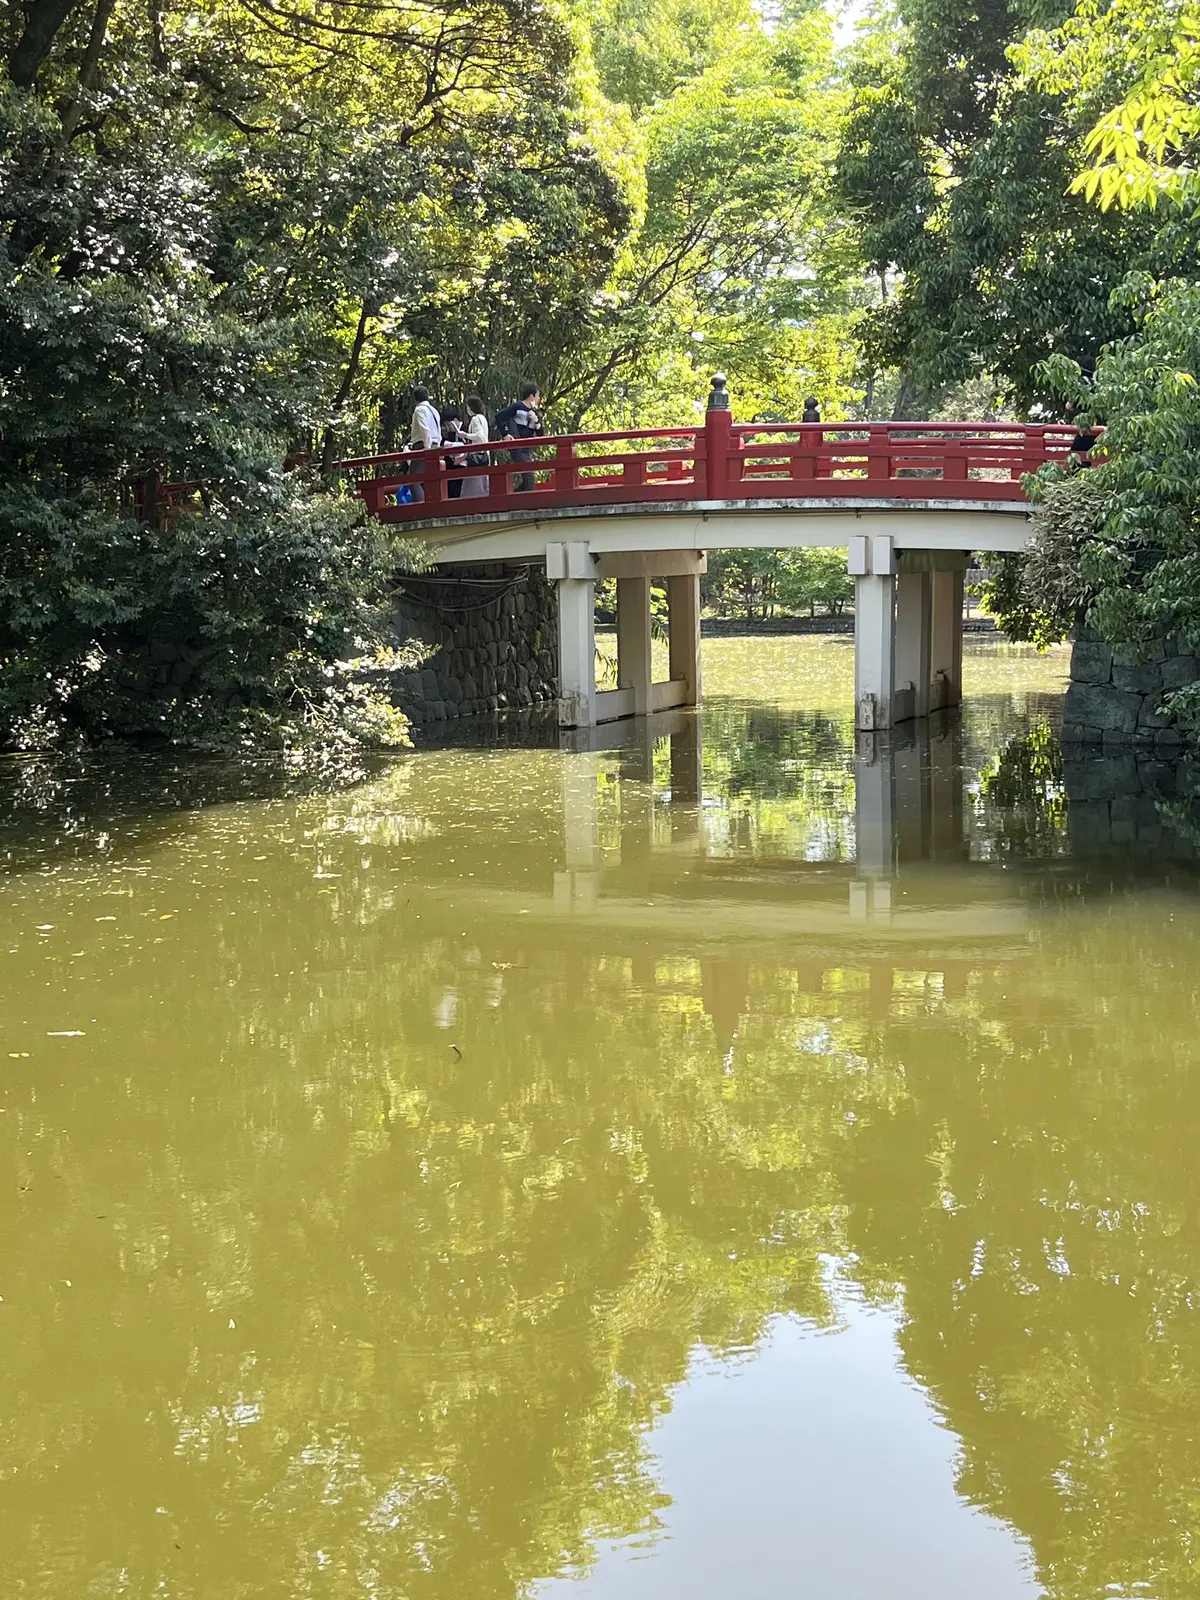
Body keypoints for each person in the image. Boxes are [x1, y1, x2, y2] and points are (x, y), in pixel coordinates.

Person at [495, 382, 544, 491]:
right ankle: (523, 504)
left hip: (527, 449)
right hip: (517, 446)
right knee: (530, 478)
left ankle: (513, 501)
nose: (538, 399)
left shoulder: (535, 412)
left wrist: (535, 420)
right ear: (531, 396)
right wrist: (506, 434)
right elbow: (499, 416)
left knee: (528, 480)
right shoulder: (518, 407)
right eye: (538, 396)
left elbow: (541, 434)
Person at [408, 385, 441, 501]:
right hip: (435, 444)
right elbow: (438, 431)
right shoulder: (434, 410)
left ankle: (421, 505)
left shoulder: (419, 410)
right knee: (430, 479)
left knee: (413, 479)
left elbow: (424, 430)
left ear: (415, 399)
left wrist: (426, 449)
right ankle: (431, 503)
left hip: (423, 445)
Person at [461, 394, 491, 499]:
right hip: (484, 454)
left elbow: (479, 436)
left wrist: (465, 435)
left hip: (477, 455)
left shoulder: (475, 419)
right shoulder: (483, 418)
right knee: (482, 483)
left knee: (473, 484)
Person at [441, 404, 467, 499]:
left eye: (448, 425)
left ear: (455, 420)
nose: (447, 428)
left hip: (464, 464)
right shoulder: (449, 434)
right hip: (453, 464)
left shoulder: (465, 428)